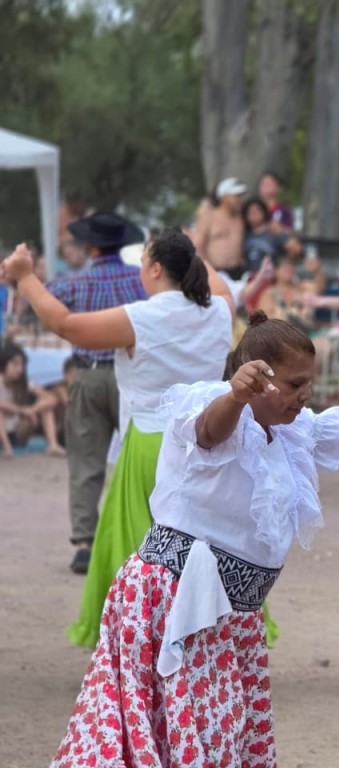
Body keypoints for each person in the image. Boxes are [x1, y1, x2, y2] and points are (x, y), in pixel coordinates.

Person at [51, 311, 339, 766]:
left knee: (214, 737)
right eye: (294, 384)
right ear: (258, 377)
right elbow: (210, 431)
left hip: (232, 615)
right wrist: (235, 395)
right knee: (191, 736)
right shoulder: (209, 403)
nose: (305, 394)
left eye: (306, 383)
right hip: (173, 602)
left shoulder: (294, 427)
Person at [2, 231, 237, 648]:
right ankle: (203, 635)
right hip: (209, 443)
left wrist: (25, 276)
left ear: (156, 269)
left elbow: (65, 324)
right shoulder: (219, 310)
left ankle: (144, 637)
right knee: (207, 544)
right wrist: (191, 246)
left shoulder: (142, 318)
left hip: (151, 443)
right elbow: (217, 285)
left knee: (141, 549)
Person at [41, 213, 149, 574]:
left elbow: (43, 307)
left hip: (87, 375)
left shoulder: (74, 283)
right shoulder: (140, 280)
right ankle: (139, 541)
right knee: (133, 458)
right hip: (130, 375)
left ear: (89, 245)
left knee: (86, 461)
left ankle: (85, 543)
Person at [0, 342, 64, 458]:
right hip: (3, 430)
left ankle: (53, 445)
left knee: (46, 408)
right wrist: (20, 410)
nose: (19, 369)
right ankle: (7, 447)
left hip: (17, 430)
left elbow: (51, 398)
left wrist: (32, 409)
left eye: (22, 365)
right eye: (15, 364)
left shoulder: (23, 383)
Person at [194, 178, 248, 278]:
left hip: (238, 272)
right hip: (216, 271)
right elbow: (199, 244)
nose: (239, 199)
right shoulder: (209, 215)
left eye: (240, 196)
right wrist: (206, 272)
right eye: (236, 196)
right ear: (224, 196)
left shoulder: (240, 217)